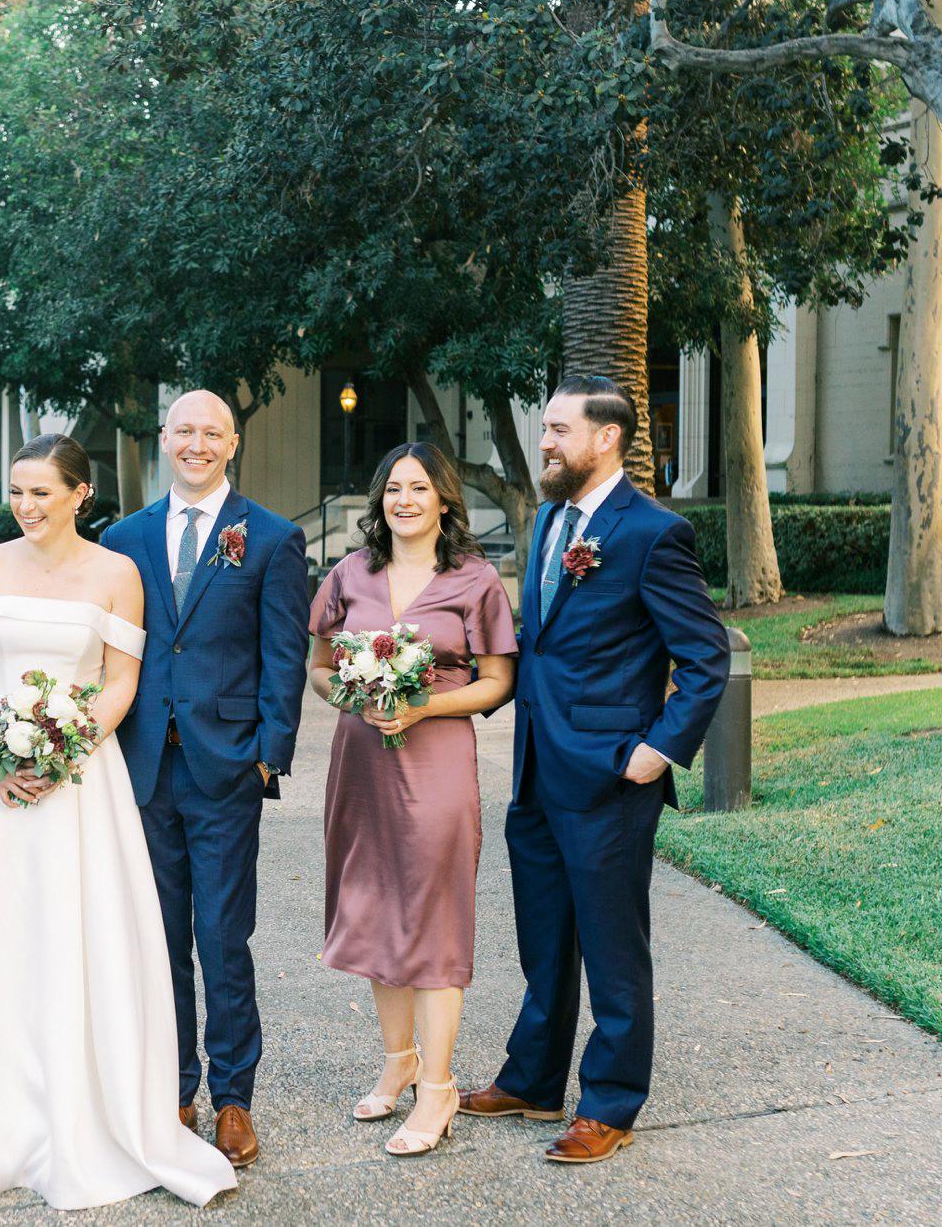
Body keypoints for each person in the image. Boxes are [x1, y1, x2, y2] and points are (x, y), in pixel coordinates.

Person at [0, 434, 238, 1211]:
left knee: (70, 933)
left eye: (42, 492)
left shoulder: (117, 573)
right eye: (18, 491)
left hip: (78, 781)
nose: (26, 506)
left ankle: (78, 1114)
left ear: (80, 494)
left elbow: (120, 682)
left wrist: (61, 753)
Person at [459, 375, 728, 1164]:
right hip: (538, 769)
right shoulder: (549, 516)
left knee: (613, 948)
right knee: (544, 940)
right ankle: (536, 1079)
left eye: (556, 429)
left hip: (612, 776)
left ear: (605, 437)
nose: (545, 441)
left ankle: (609, 1100)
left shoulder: (652, 533)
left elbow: (705, 658)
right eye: (546, 428)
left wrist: (659, 748)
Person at [99, 390, 310, 1169]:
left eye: (211, 433)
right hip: (141, 764)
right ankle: (172, 1085)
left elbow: (285, 655)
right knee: (155, 938)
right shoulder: (122, 538)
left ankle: (233, 1097)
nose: (197, 444)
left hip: (226, 767)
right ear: (164, 438)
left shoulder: (272, 538)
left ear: (233, 444)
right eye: (184, 431)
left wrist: (268, 753)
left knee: (223, 937)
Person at [306, 443, 517, 1157]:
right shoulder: (349, 573)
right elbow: (319, 667)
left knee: (431, 915)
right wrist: (355, 693)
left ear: (444, 500)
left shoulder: (476, 580)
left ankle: (439, 1087)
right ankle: (398, 1060)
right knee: (371, 904)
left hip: (437, 759)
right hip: (361, 760)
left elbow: (497, 681)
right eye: (393, 487)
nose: (404, 499)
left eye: (418, 488)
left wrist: (425, 706)